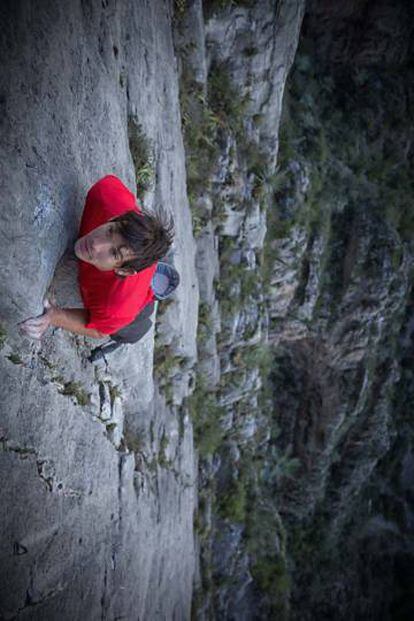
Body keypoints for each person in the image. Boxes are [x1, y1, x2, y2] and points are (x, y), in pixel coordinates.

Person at [20, 175, 174, 340]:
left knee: (131, 330)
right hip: (135, 267)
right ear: (114, 219)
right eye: (110, 231)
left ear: (124, 271)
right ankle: (152, 267)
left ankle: (153, 289)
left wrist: (54, 316)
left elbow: (100, 330)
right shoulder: (105, 195)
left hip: (132, 299)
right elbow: (111, 185)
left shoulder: (117, 307)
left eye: (114, 253)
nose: (96, 244)